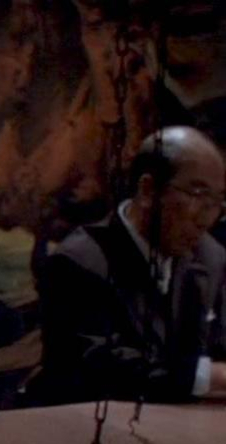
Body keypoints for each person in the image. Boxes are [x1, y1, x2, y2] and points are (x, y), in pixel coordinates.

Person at [28, 126, 226, 405]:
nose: (206, 219)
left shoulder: (210, 256)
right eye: (197, 194)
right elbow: (100, 368)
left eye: (217, 202)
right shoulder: (78, 262)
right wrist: (207, 377)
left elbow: (218, 344)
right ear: (148, 191)